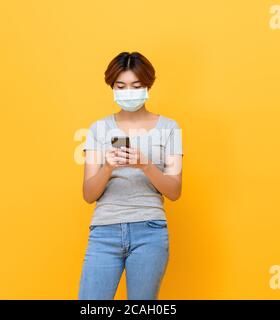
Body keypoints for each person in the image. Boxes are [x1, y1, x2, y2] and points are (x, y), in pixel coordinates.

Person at [78, 51, 183, 300]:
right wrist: (107, 168)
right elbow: (88, 194)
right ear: (112, 87)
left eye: (136, 85)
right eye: (121, 86)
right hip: (104, 231)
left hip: (150, 230)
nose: (129, 92)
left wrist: (144, 164)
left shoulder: (169, 128)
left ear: (148, 85)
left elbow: (175, 191)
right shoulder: (98, 129)